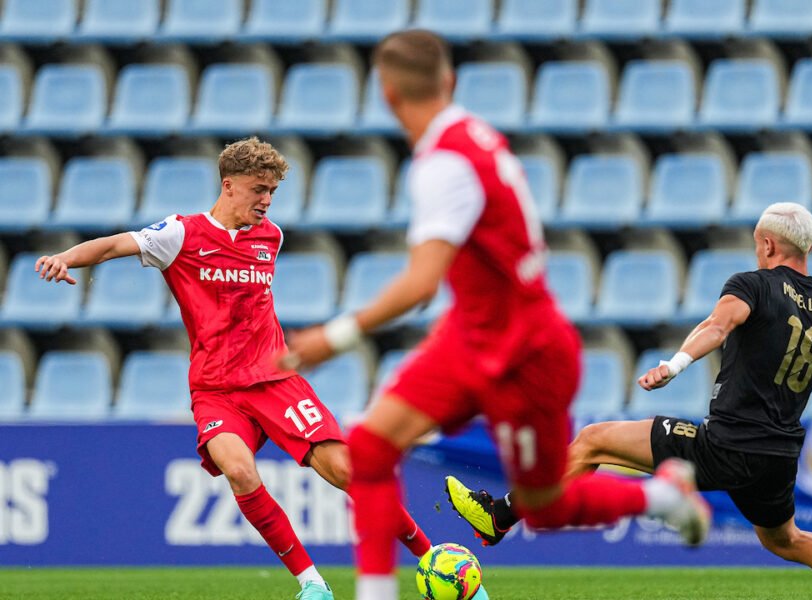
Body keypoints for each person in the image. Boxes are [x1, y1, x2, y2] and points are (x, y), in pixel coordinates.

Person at [278, 29, 712, 600]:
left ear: (386, 94)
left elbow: (420, 283)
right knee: (373, 447)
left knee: (544, 506)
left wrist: (331, 338)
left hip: (527, 350)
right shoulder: (477, 137)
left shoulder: (442, 164)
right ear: (450, 81)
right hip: (479, 334)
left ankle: (663, 498)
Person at [444, 202, 812, 600]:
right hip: (777, 456)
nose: (757, 249)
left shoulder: (752, 284)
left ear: (770, 245)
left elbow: (717, 323)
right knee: (786, 539)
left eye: (758, 242)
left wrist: (675, 364)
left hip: (725, 443)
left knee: (590, 442)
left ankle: (499, 517)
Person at [35, 137, 432, 600]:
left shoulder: (271, 238)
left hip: (275, 379)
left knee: (346, 470)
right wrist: (65, 258)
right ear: (228, 185)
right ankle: (312, 584)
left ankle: (433, 559)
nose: (266, 201)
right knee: (239, 471)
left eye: (272, 192)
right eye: (258, 189)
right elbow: (111, 246)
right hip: (215, 388)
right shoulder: (180, 235)